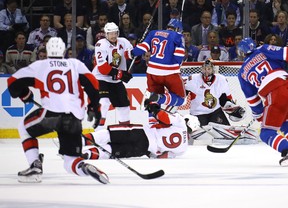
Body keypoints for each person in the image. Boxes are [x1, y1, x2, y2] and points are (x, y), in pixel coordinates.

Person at [7, 37, 108, 184]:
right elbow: (93, 84)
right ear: (64, 52)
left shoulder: (40, 65)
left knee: (24, 128)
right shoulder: (75, 64)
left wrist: (24, 94)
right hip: (74, 117)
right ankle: (83, 167)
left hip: (51, 115)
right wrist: (94, 108)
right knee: (69, 161)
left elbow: (12, 83)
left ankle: (35, 165)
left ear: (47, 51)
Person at [82, 102, 200, 159]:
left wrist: (154, 109)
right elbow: (162, 157)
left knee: (109, 135)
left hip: (140, 134)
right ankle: (85, 155)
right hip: (143, 149)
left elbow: (164, 118)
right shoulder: (183, 150)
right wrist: (150, 153)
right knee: (112, 150)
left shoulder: (180, 122)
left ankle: (79, 142)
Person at [237, 37, 288, 166]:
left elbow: (253, 99)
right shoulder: (264, 49)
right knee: (284, 122)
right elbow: (286, 53)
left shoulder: (242, 72)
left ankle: (285, 148)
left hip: (276, 94)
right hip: (285, 82)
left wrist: (258, 114)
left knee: (266, 132)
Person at [131, 18, 186, 110]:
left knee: (153, 102)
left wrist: (131, 53)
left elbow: (142, 48)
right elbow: (178, 57)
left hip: (152, 72)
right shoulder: (178, 36)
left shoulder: (153, 33)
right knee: (180, 99)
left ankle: (152, 120)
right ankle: (160, 98)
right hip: (170, 73)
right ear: (178, 29)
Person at [92, 22, 133, 131]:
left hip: (116, 80)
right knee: (104, 102)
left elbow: (130, 55)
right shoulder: (100, 44)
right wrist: (120, 74)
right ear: (106, 34)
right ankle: (98, 131)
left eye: (115, 33)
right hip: (101, 78)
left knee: (124, 105)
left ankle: (124, 130)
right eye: (110, 33)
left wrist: (135, 55)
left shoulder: (123, 42)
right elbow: (103, 68)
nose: (113, 36)